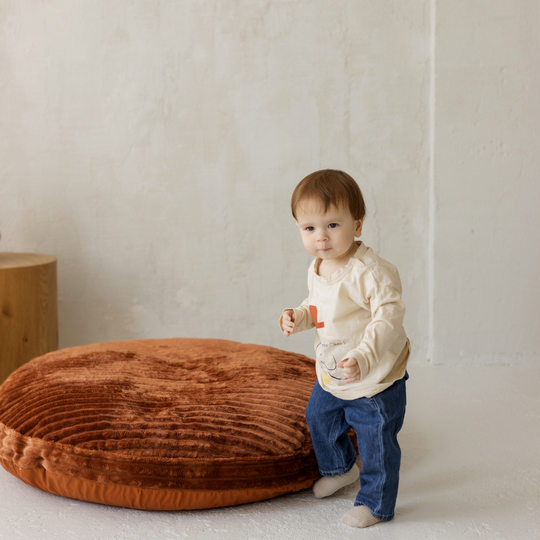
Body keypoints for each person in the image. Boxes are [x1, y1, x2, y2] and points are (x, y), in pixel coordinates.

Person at [279, 169, 410, 528]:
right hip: (333, 371)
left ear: (358, 225)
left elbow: (388, 318)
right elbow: (318, 306)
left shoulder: (371, 271)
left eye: (332, 225)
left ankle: (376, 503)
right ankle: (340, 467)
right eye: (309, 228)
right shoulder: (318, 266)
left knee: (376, 442)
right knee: (318, 417)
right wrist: (298, 316)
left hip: (373, 379)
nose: (320, 237)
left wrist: (366, 356)